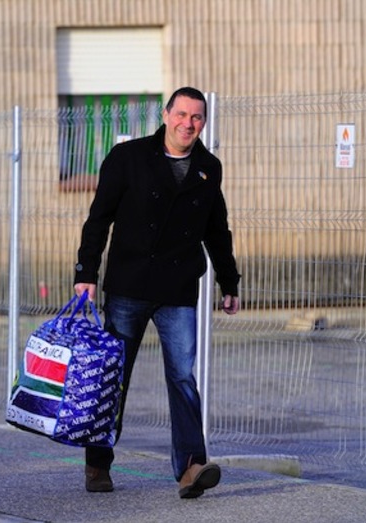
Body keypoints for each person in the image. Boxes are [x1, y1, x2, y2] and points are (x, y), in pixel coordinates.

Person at [73, 86, 241, 499]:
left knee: (183, 377)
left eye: (197, 117)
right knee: (114, 378)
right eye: (181, 114)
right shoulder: (128, 159)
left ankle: (190, 467)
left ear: (204, 122)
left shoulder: (208, 167)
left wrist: (229, 280)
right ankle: (98, 464)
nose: (188, 124)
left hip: (178, 288)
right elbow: (99, 219)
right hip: (129, 285)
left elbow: (216, 228)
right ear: (166, 115)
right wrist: (86, 271)